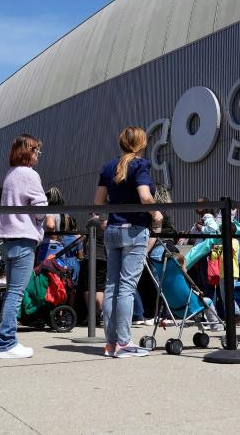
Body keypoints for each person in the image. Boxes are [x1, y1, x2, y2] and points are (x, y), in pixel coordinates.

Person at [94, 126, 162, 357]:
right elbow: (145, 196)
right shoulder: (140, 165)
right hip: (135, 229)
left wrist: (103, 220)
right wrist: (156, 214)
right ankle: (124, 343)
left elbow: (98, 202)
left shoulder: (107, 167)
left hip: (112, 229)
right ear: (142, 144)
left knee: (111, 286)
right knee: (126, 287)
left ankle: (111, 343)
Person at [0, 134, 48, 359]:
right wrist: (41, 220)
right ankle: (6, 343)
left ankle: (6, 341)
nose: (38, 155)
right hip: (24, 238)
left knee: (11, 292)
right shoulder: (30, 175)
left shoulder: (10, 174)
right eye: (36, 151)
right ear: (29, 151)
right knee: (16, 293)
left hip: (8, 239)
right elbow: (41, 209)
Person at [78, 212, 106, 324]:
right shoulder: (108, 223)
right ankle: (98, 315)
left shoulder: (92, 222)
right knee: (100, 287)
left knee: (88, 286)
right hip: (104, 257)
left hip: (91, 256)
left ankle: (91, 316)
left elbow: (85, 239)